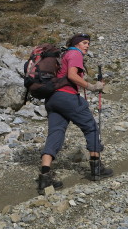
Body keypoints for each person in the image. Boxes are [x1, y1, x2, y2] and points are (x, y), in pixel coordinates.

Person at [37, 33, 113, 193]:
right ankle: (96, 167)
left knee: (55, 133)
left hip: (52, 99)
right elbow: (72, 75)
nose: (87, 46)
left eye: (88, 43)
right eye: (84, 43)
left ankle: (45, 177)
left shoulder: (64, 55)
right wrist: (91, 86)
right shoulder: (75, 53)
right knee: (91, 127)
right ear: (77, 44)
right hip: (67, 97)